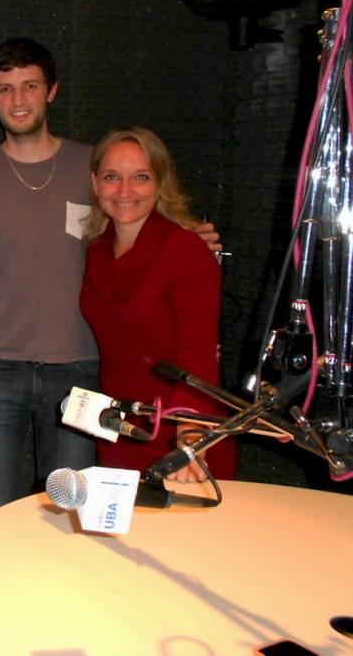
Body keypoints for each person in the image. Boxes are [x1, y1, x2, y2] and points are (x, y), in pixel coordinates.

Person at [0, 38, 221, 517]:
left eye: (30, 86)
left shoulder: (96, 167)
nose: (18, 99)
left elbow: (139, 207)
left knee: (75, 514)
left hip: (80, 371)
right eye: (4, 89)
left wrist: (186, 235)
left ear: (52, 91)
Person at [80, 127, 237, 480]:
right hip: (121, 429)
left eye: (141, 177)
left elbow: (198, 353)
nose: (124, 191)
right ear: (95, 183)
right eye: (111, 177)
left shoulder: (185, 250)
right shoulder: (98, 251)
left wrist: (191, 437)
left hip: (178, 435)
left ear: (160, 183)